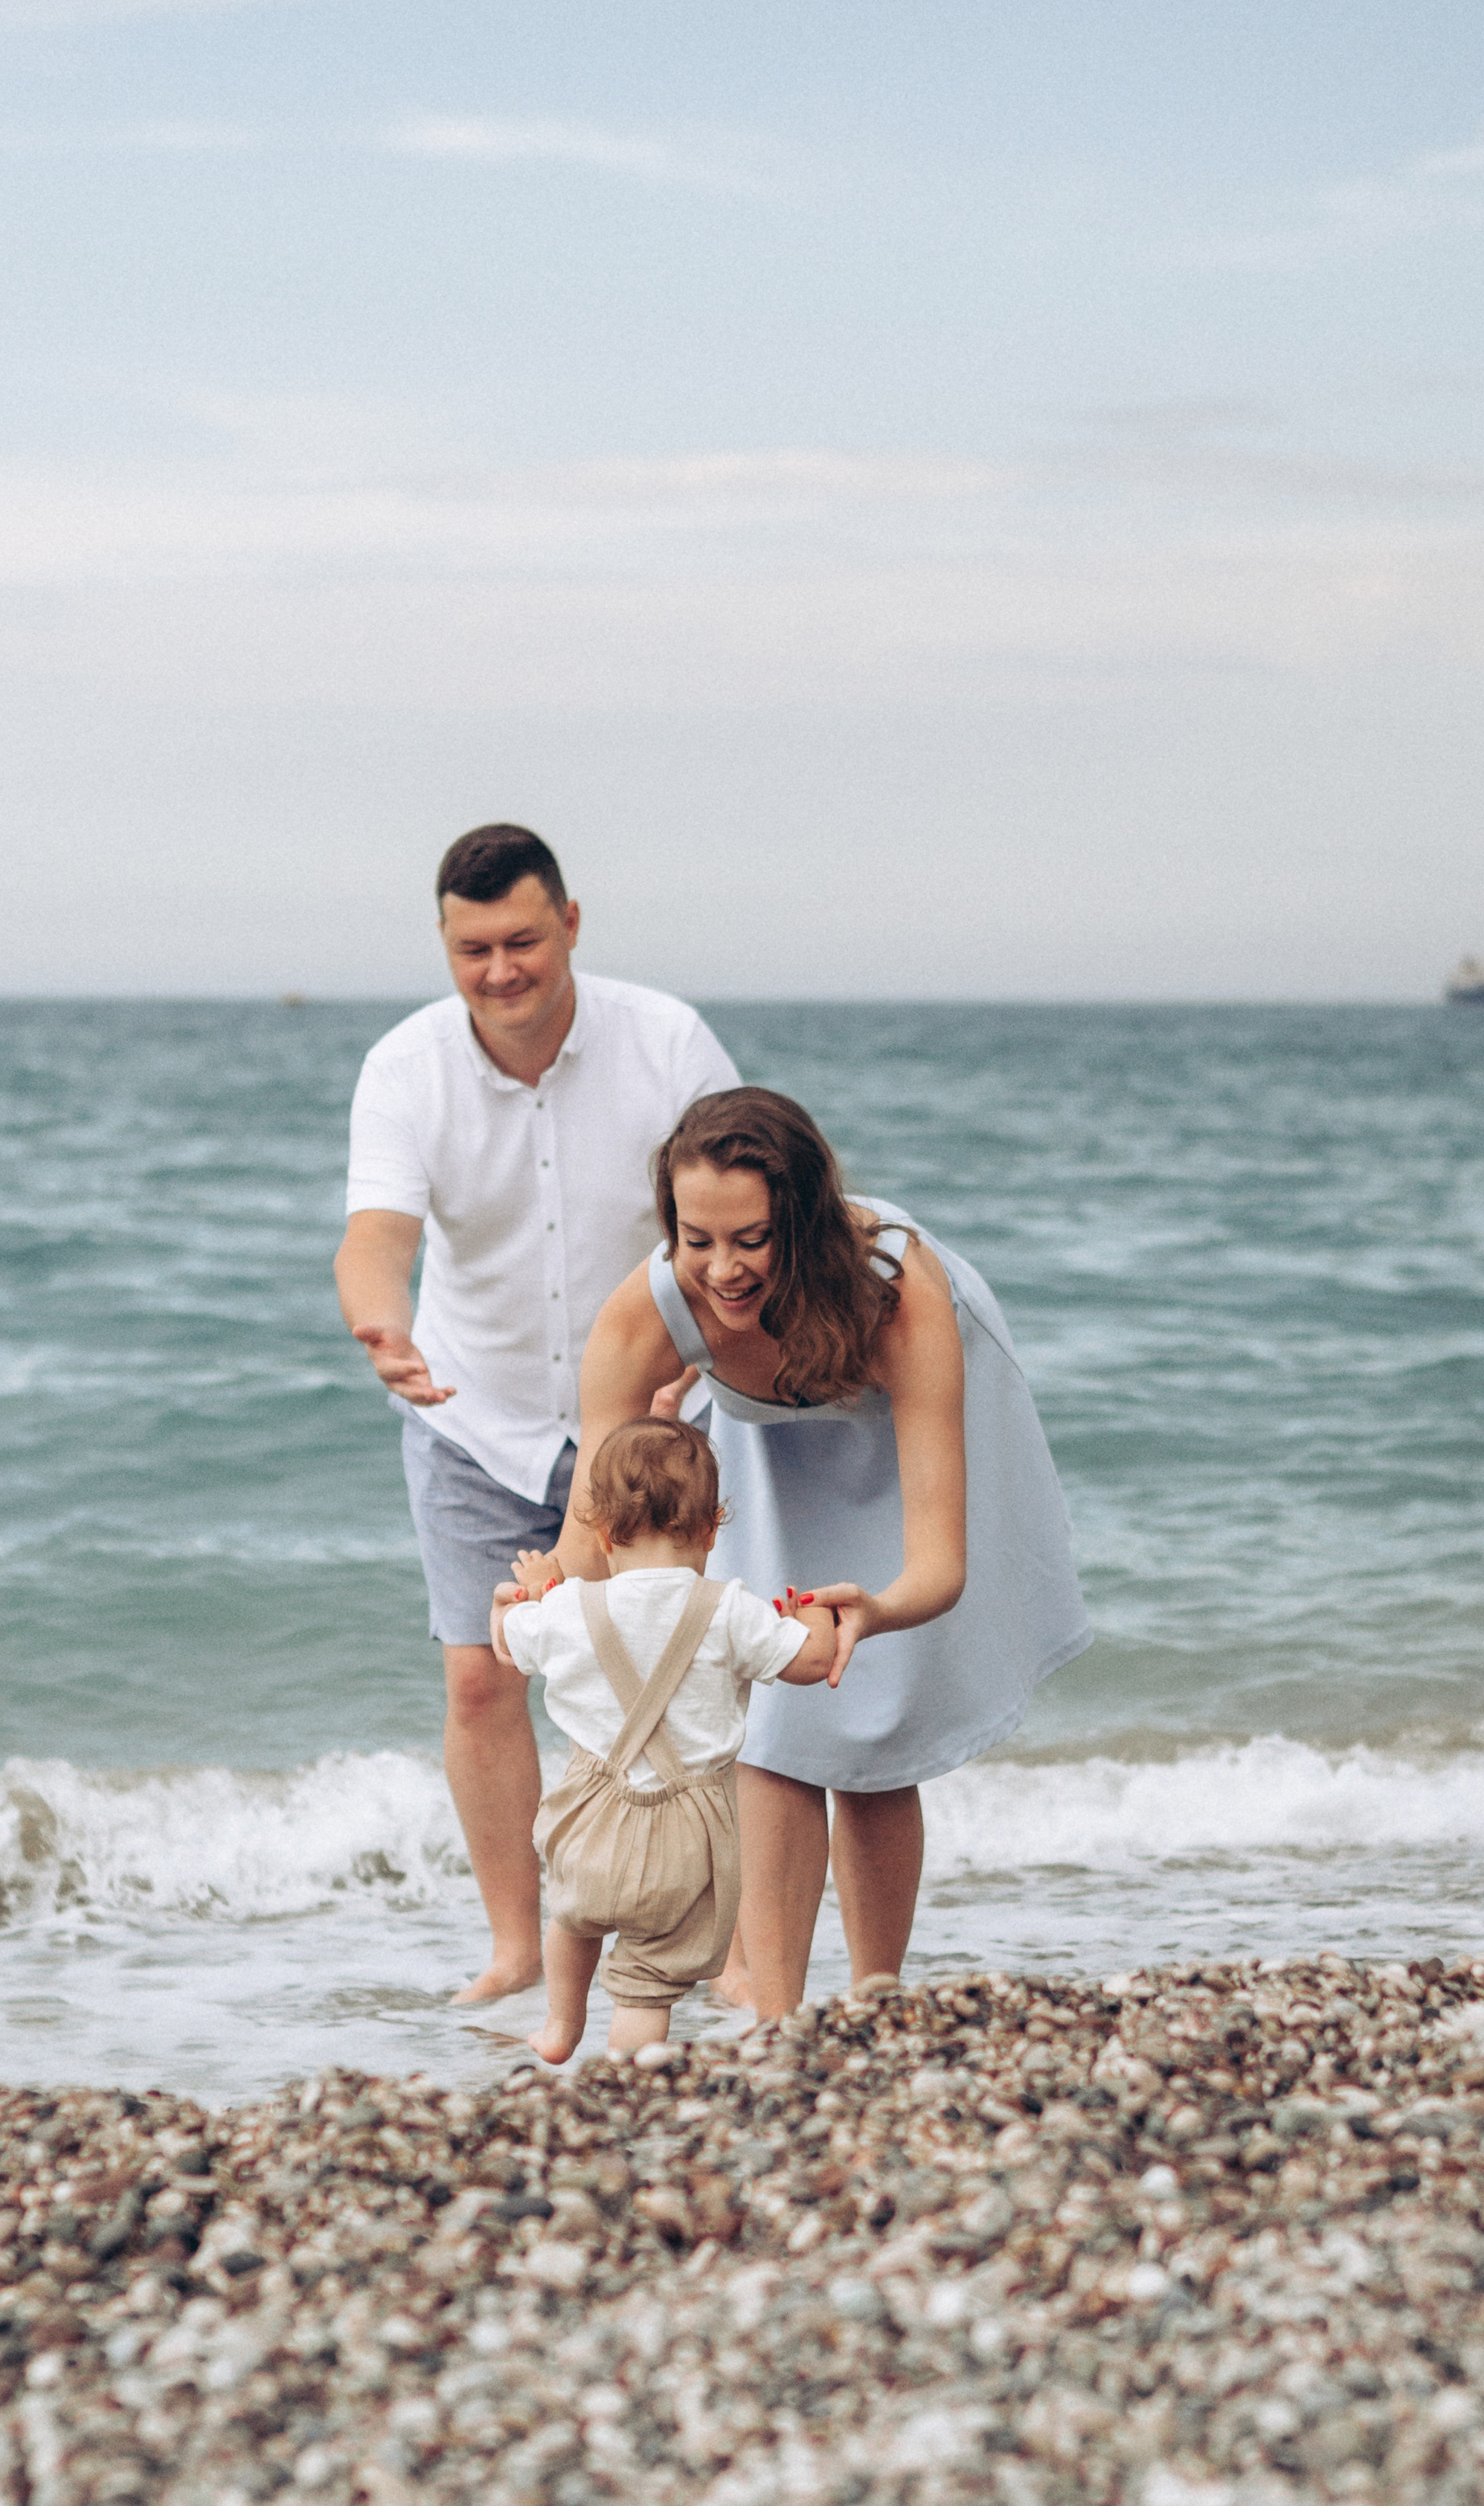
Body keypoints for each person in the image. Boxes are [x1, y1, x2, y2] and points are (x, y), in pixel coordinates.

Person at [528, 1086, 1090, 2018]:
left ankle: (875, 1997)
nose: (721, 1269)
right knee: (774, 1732)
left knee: (875, 1724)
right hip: (770, 1434)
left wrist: (876, 1613)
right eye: (695, 1238)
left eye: (750, 1238)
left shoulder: (897, 1289)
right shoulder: (649, 1312)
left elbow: (937, 1567)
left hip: (923, 1396)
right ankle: (774, 2016)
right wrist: (543, 1609)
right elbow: (592, 1531)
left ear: (802, 1219)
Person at [333, 824, 739, 2004]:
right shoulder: (404, 1067)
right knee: (481, 1676)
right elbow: (378, 1235)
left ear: (570, 921)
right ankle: (520, 1947)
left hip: (663, 1408)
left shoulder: (665, 1040)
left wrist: (709, 1353)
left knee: (689, 1669)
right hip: (479, 1412)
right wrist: (382, 1326)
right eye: (472, 950)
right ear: (446, 948)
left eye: (520, 940)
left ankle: (718, 1948)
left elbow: (735, 1207)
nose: (499, 970)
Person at [490, 1415, 835, 2061]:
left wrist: (526, 1593)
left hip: (589, 1818)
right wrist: (810, 1615)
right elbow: (813, 1663)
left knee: (573, 1914)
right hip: (690, 1835)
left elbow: (506, 1641)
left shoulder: (568, 1609)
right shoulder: (731, 1610)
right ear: (710, 1529)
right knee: (648, 1985)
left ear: (601, 1534)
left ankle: (562, 2027)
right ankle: (627, 2076)